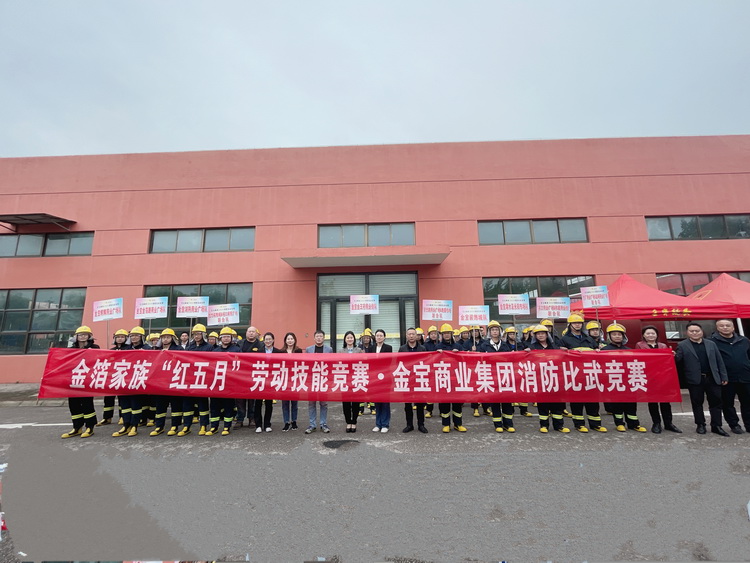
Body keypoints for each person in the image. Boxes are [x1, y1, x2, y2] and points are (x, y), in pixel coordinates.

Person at [675, 322, 730, 436]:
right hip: (695, 379)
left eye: (697, 331)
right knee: (697, 403)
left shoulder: (711, 344)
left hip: (712, 377)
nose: (695, 333)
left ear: (701, 331)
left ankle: (716, 426)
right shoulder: (682, 345)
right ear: (687, 333)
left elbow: (719, 361)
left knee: (716, 402)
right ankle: (700, 424)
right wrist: (673, 356)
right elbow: (678, 361)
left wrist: (723, 376)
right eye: (692, 331)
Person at [560, 314, 606, 433]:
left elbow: (596, 353)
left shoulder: (589, 338)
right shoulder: (564, 340)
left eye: (579, 323)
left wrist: (598, 350)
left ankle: (595, 424)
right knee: (577, 401)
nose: (577, 325)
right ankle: (579, 424)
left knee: (593, 400)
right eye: (575, 323)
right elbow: (560, 356)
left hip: (590, 373)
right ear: (570, 325)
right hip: (574, 374)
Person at [636, 325, 681, 434]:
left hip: (663, 377)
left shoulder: (662, 345)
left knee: (666, 402)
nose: (650, 335)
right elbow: (638, 359)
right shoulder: (640, 345)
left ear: (657, 335)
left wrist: (672, 355)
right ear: (643, 335)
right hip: (649, 377)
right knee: (653, 402)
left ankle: (668, 423)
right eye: (648, 333)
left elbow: (668, 361)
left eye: (653, 333)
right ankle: (656, 423)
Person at [602, 323, 647, 433]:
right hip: (614, 380)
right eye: (614, 334)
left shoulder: (629, 349)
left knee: (631, 404)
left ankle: (634, 424)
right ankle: (619, 423)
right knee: (617, 404)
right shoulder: (604, 350)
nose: (617, 336)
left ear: (623, 336)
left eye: (619, 334)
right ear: (609, 336)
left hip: (628, 380)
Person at [710, 319, 750, 434]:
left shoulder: (744, 340)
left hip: (745, 376)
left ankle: (748, 424)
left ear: (733, 327)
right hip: (726, 378)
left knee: (747, 402)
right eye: (721, 326)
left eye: (728, 325)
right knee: (728, 403)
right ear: (717, 328)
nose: (725, 327)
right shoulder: (712, 342)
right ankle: (734, 424)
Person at [528, 325, 569, 433]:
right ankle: (544, 425)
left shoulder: (554, 346)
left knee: (557, 404)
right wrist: (526, 352)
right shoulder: (532, 348)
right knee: (543, 404)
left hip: (554, 379)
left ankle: (559, 426)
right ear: (535, 336)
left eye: (543, 333)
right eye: (538, 334)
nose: (541, 335)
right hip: (540, 380)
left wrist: (563, 351)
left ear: (547, 335)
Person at [175, 324, 214, 436]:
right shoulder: (189, 347)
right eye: (195, 334)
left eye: (199, 334)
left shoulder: (209, 347)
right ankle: (187, 426)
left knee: (203, 404)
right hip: (190, 379)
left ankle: (203, 425)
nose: (197, 336)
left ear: (203, 335)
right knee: (187, 404)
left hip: (202, 379)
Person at [61, 326, 99, 438]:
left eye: (85, 334)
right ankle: (77, 427)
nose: (82, 337)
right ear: (76, 336)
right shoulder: (71, 349)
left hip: (87, 380)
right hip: (73, 380)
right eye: (80, 335)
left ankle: (90, 427)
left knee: (87, 404)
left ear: (89, 336)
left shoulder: (95, 347)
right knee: (73, 405)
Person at [112, 327, 149, 437]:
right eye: (132, 335)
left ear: (141, 337)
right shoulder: (125, 348)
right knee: (125, 405)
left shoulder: (147, 348)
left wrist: (145, 354)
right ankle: (126, 425)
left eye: (137, 335)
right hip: (124, 380)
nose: (134, 337)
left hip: (137, 380)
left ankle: (134, 426)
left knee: (135, 404)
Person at [481, 321, 516, 433]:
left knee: (507, 400)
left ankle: (508, 424)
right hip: (491, 376)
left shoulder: (505, 345)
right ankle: (498, 424)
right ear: (489, 332)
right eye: (492, 330)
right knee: (495, 401)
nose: (495, 332)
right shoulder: (484, 345)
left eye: (496, 330)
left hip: (505, 376)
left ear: (500, 331)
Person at [206, 327, 241, 436]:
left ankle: (227, 426)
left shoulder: (237, 350)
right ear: (220, 338)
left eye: (228, 337)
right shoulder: (215, 351)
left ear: (231, 338)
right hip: (216, 382)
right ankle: (214, 426)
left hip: (229, 382)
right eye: (224, 337)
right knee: (214, 405)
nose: (226, 338)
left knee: (228, 405)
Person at [150, 329, 184, 436]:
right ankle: (159, 426)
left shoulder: (179, 349)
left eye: (168, 337)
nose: (165, 339)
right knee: (160, 405)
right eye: (163, 337)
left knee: (175, 405)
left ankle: (175, 426)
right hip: (160, 382)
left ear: (172, 338)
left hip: (173, 381)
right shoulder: (156, 349)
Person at [436, 323, 466, 432]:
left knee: (457, 403)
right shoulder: (438, 347)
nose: (447, 335)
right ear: (442, 335)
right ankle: (446, 424)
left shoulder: (458, 346)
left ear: (452, 334)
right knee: (445, 403)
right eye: (444, 333)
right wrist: (437, 354)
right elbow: (433, 362)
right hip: (443, 378)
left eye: (448, 333)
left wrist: (459, 354)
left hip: (456, 378)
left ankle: (458, 424)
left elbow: (465, 359)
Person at [97, 328, 130, 427]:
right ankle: (107, 417)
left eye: (122, 337)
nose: (120, 339)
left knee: (122, 399)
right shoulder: (111, 351)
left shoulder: (129, 349)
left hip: (123, 376)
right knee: (108, 398)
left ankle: (122, 416)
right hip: (111, 377)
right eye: (118, 337)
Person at [399, 327, 427, 434]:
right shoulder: (402, 349)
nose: (411, 336)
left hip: (419, 378)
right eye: (409, 334)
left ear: (416, 336)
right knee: (407, 404)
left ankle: (421, 424)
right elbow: (399, 363)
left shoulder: (422, 348)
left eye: (413, 334)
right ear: (406, 336)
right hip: (407, 379)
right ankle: (409, 425)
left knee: (420, 404)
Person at [305, 330, 332, 433]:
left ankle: (323, 424)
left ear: (324, 338)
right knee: (311, 403)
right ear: (314, 338)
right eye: (317, 336)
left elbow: (331, 364)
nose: (319, 338)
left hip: (324, 379)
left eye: (321, 336)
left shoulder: (329, 349)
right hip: (312, 380)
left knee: (323, 403)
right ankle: (312, 425)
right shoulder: (309, 349)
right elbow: (305, 364)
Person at [252, 332, 279, 433]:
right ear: (263, 341)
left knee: (269, 403)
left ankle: (267, 424)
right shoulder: (258, 352)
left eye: (270, 339)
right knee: (258, 403)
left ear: (273, 340)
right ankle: (258, 425)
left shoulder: (278, 352)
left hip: (271, 379)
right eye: (266, 339)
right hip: (260, 378)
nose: (268, 341)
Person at [236, 326, 263, 427]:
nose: (251, 333)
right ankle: (240, 419)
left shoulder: (261, 345)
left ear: (256, 334)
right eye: (249, 331)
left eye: (253, 332)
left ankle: (252, 418)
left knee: (253, 399)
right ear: (246, 333)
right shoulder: (239, 344)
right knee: (240, 398)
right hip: (240, 374)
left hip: (254, 374)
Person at [339, 331, 363, 433]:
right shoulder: (340, 351)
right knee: (346, 403)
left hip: (356, 378)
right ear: (345, 339)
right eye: (348, 338)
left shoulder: (359, 350)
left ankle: (354, 422)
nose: (350, 339)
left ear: (354, 339)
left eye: (351, 337)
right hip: (344, 379)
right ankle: (348, 422)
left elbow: (363, 362)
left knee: (356, 402)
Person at [371, 329, 393, 432]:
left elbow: (388, 362)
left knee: (385, 402)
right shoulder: (371, 348)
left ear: (384, 337)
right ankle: (378, 424)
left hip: (385, 377)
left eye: (381, 335)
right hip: (374, 378)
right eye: (377, 335)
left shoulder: (388, 348)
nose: (379, 337)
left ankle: (385, 424)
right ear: (375, 337)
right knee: (377, 401)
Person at [280, 332, 302, 431]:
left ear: (294, 340)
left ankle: (294, 421)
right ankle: (286, 422)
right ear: (285, 340)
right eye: (288, 339)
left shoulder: (298, 351)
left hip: (295, 379)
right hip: (284, 379)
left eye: (291, 339)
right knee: (285, 403)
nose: (290, 341)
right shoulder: (281, 352)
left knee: (294, 403)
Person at [358, 328, 375, 415]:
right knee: (361, 389)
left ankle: (372, 407)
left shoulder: (373, 347)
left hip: (371, 370)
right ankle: (361, 409)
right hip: (362, 370)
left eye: (368, 338)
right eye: (364, 338)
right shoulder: (359, 348)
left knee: (371, 389)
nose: (366, 339)